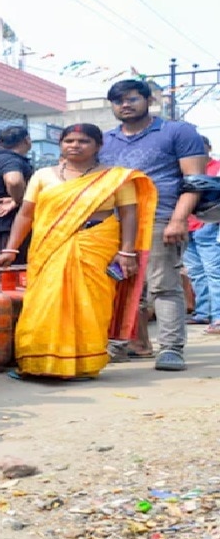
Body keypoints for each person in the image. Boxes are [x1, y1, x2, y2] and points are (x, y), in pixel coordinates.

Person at [0, 124, 156, 380]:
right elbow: (26, 213)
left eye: (83, 141)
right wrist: (11, 249)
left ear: (98, 145)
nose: (75, 145)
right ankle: (38, 364)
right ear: (61, 144)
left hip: (96, 243)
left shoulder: (115, 177)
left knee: (89, 304)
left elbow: (129, 214)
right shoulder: (42, 176)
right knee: (43, 302)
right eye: (69, 140)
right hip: (50, 246)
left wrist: (126, 253)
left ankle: (82, 364)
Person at [99, 79, 209, 371]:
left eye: (132, 98)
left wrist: (179, 219)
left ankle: (171, 349)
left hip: (160, 218)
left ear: (149, 100)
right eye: (118, 100)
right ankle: (119, 345)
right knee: (119, 286)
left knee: (163, 285)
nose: (125, 104)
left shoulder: (177, 131)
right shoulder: (105, 139)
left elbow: (195, 180)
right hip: (114, 223)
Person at [0, 126, 33, 266]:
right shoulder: (11, 160)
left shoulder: (3, 159)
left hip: (7, 225)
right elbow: (14, 180)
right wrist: (18, 200)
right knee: (13, 271)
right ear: (27, 140)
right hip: (10, 224)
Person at [182, 137, 220, 333]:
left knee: (214, 272)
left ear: (208, 148)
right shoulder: (180, 168)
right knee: (196, 273)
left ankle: (219, 316)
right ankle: (203, 313)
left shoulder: (217, 167)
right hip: (184, 226)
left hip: (209, 226)